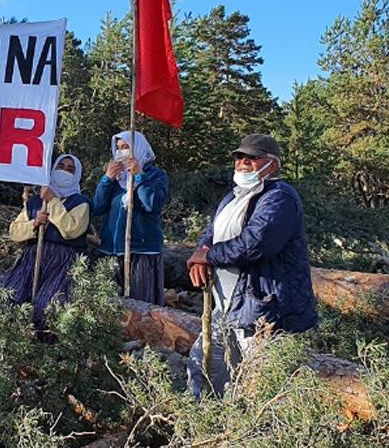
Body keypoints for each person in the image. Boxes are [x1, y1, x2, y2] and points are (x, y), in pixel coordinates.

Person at [185, 133, 318, 398]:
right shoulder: (233, 197)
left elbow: (255, 243)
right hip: (225, 307)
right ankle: (201, 426)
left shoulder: (280, 197)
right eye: (239, 157)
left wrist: (208, 257)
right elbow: (211, 234)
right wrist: (200, 254)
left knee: (261, 387)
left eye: (253, 158)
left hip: (263, 311)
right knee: (204, 368)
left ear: (273, 164)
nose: (243, 162)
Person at [4, 153, 91, 329]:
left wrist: (53, 201)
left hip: (63, 260)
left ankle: (47, 347)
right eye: (61, 167)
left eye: (70, 169)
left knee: (47, 306)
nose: (64, 171)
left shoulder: (80, 203)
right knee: (11, 297)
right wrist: (34, 224)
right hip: (34, 256)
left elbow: (71, 230)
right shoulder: (35, 202)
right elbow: (14, 232)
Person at [91, 131, 169, 304]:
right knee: (109, 306)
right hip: (111, 249)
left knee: (141, 306)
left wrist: (139, 175)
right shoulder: (116, 178)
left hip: (141, 251)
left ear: (138, 149)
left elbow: (152, 204)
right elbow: (97, 207)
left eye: (126, 147)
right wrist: (106, 179)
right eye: (118, 148)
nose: (121, 152)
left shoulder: (156, 175)